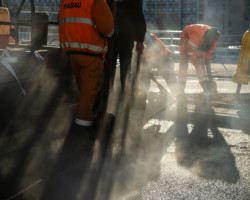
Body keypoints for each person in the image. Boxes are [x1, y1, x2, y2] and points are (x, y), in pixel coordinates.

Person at [58, 0, 114, 136]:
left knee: (83, 90)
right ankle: (82, 131)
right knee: (89, 94)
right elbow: (107, 27)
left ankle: (89, 118)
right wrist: (112, 31)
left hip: (72, 51)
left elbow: (61, 20)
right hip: (90, 52)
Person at [108, 0, 146, 94]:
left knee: (119, 69)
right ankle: (112, 96)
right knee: (113, 70)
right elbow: (139, 19)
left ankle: (122, 97)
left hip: (120, 38)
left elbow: (139, 19)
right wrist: (140, 41)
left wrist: (140, 40)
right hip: (115, 38)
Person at [178, 24, 220, 95]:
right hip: (186, 37)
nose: (211, 41)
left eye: (212, 41)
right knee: (184, 60)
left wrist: (206, 61)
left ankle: (205, 87)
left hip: (198, 41)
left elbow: (209, 52)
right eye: (210, 40)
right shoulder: (197, 35)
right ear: (208, 37)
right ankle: (181, 88)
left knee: (200, 63)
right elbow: (190, 51)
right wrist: (198, 64)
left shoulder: (215, 39)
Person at [140, 31, 182, 98]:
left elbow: (152, 48)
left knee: (145, 75)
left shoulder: (141, 36)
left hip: (159, 57)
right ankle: (178, 95)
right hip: (161, 56)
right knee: (146, 74)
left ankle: (143, 95)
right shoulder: (148, 35)